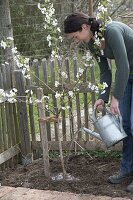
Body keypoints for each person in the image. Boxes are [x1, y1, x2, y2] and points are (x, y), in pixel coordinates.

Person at [64, 12, 133, 193]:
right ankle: (127, 169)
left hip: (128, 72)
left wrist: (115, 97)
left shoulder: (112, 31)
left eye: (75, 36)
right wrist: (103, 96)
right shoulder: (92, 43)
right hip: (128, 78)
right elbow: (105, 72)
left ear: (84, 27)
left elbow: (123, 65)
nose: (76, 40)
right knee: (126, 125)